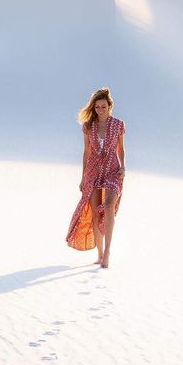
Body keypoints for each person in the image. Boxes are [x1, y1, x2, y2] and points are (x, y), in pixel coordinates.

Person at [66, 87, 126, 268]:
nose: (100, 110)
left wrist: (123, 166)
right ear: (93, 108)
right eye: (98, 107)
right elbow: (86, 152)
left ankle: (107, 252)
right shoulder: (88, 127)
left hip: (113, 171)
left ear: (110, 107)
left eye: (104, 107)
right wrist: (83, 177)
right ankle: (99, 254)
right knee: (93, 213)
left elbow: (121, 149)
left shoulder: (118, 124)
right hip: (93, 172)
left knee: (108, 207)